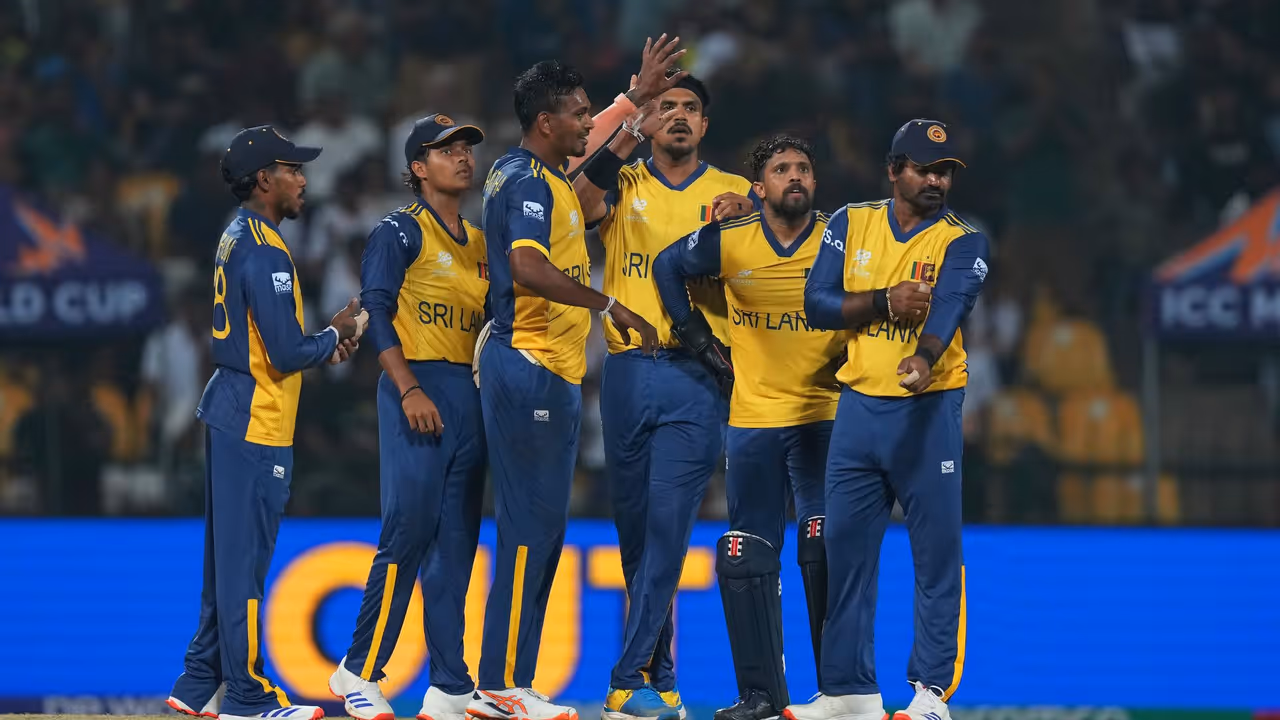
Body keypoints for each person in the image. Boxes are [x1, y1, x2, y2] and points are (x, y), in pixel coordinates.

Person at [466, 60, 659, 720]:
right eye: (577, 113)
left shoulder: (536, 175)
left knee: (543, 529)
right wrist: (608, 304)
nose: (585, 122)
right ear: (546, 123)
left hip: (548, 366)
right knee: (529, 526)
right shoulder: (527, 180)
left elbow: (588, 162)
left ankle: (514, 681)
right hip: (530, 361)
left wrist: (631, 105)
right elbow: (525, 265)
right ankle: (500, 682)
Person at [782, 119, 989, 720]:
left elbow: (951, 305)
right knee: (845, 552)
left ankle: (931, 693)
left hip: (928, 409)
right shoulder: (851, 224)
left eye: (945, 171)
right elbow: (816, 303)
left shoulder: (963, 240)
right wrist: (883, 301)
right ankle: (849, 691)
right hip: (858, 409)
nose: (936, 181)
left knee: (937, 553)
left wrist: (924, 357)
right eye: (924, 169)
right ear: (894, 170)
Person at [572, 73, 756, 720]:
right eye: (666, 106)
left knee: (669, 528)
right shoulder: (622, 181)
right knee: (634, 534)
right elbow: (576, 204)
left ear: (705, 125)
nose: (678, 116)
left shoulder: (735, 193)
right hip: (625, 372)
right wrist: (627, 131)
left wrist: (748, 222)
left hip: (695, 376)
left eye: (690, 108)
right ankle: (664, 680)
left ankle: (625, 680)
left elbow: (771, 264)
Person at [167, 125, 367, 720]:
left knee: (226, 564)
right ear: (264, 180)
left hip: (234, 410)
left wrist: (320, 343)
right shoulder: (267, 250)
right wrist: (334, 334)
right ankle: (247, 698)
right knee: (245, 567)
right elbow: (282, 353)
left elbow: (271, 342)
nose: (303, 180)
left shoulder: (237, 236)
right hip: (256, 422)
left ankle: (199, 681)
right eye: (292, 170)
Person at [652, 136, 844, 720]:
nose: (795, 176)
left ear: (815, 182)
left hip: (824, 417)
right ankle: (762, 695)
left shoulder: (840, 238)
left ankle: (840, 693)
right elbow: (666, 267)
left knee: (824, 543)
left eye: (803, 168)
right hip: (754, 419)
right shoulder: (731, 240)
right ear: (758, 188)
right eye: (781, 169)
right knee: (744, 555)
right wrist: (702, 344)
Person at [325, 114, 489, 720]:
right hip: (416, 384)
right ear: (418, 168)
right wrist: (408, 387)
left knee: (457, 544)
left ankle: (450, 685)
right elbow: (376, 307)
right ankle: (359, 670)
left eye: (466, 148)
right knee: (409, 529)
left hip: (469, 393)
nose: (463, 158)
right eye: (446, 151)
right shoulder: (399, 230)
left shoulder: (482, 242)